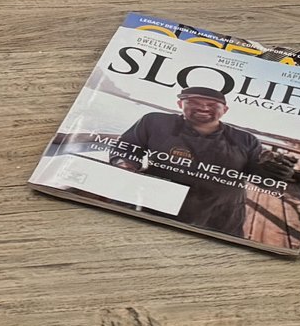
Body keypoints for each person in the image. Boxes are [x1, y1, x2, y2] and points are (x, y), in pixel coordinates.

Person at [113, 85, 269, 238]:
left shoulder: (246, 139)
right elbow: (126, 149)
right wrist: (124, 164)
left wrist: (274, 171)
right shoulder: (154, 122)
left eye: (212, 105)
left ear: (225, 110)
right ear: (180, 104)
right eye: (193, 102)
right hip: (161, 206)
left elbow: (258, 175)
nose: (203, 108)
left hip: (222, 214)